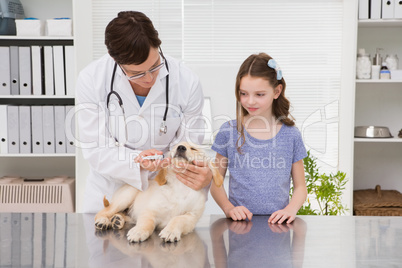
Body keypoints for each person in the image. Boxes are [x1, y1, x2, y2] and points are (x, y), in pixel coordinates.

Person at [76, 11, 212, 213]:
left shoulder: (186, 81)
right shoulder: (91, 80)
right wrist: (137, 160)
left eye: (155, 66)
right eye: (137, 73)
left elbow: (188, 145)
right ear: (116, 61)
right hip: (110, 189)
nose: (149, 79)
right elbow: (96, 149)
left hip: (165, 194)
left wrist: (201, 173)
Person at [210, 53, 307, 224]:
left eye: (259, 94)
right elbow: (215, 183)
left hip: (278, 228)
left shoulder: (291, 134)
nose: (250, 101)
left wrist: (290, 209)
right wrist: (229, 208)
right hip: (240, 227)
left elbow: (300, 187)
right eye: (244, 93)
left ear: (277, 91)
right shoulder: (229, 131)